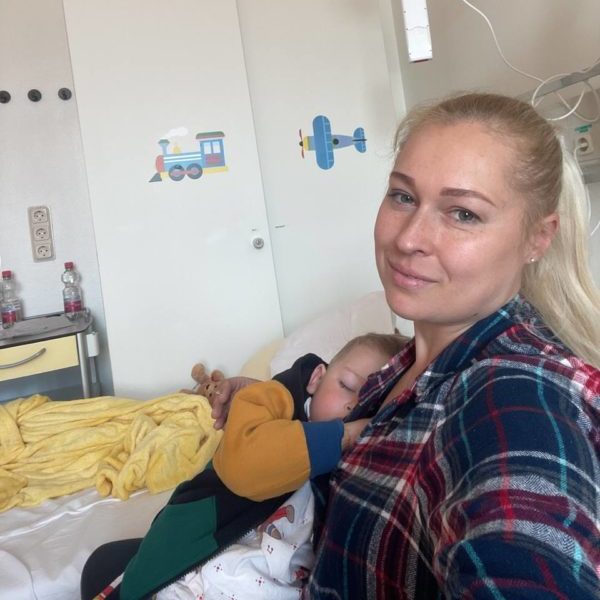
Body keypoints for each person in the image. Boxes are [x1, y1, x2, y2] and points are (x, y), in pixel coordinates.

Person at [212, 92, 600, 599]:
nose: (409, 238)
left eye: (463, 214)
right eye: (403, 197)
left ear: (537, 238)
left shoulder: (517, 391)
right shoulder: (400, 365)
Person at [80, 332, 408, 600]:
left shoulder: (365, 458)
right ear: (316, 378)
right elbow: (246, 469)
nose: (353, 406)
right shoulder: (270, 400)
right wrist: (342, 435)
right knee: (105, 567)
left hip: (269, 579)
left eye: (370, 405)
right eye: (347, 386)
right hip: (203, 560)